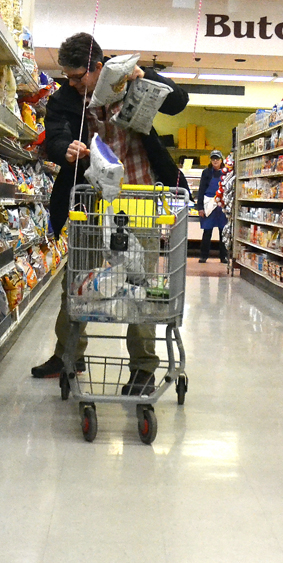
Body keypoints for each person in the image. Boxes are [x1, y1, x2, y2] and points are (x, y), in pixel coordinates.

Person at [30, 33, 189, 394]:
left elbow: (179, 101)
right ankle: (68, 353)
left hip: (138, 198)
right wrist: (64, 148)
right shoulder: (65, 99)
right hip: (90, 201)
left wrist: (146, 76)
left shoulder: (129, 76)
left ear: (98, 68)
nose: (70, 83)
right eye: (66, 77)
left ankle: (144, 367)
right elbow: (53, 135)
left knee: (141, 283)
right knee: (78, 279)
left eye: (76, 76)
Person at [197, 150, 228, 263]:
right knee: (207, 231)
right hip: (209, 204)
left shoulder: (226, 172)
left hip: (222, 204)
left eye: (217, 159)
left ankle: (223, 256)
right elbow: (201, 190)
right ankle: (203, 256)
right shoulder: (206, 172)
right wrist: (200, 207)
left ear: (221, 160)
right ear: (210, 160)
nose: (215, 161)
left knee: (223, 231)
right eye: (213, 159)